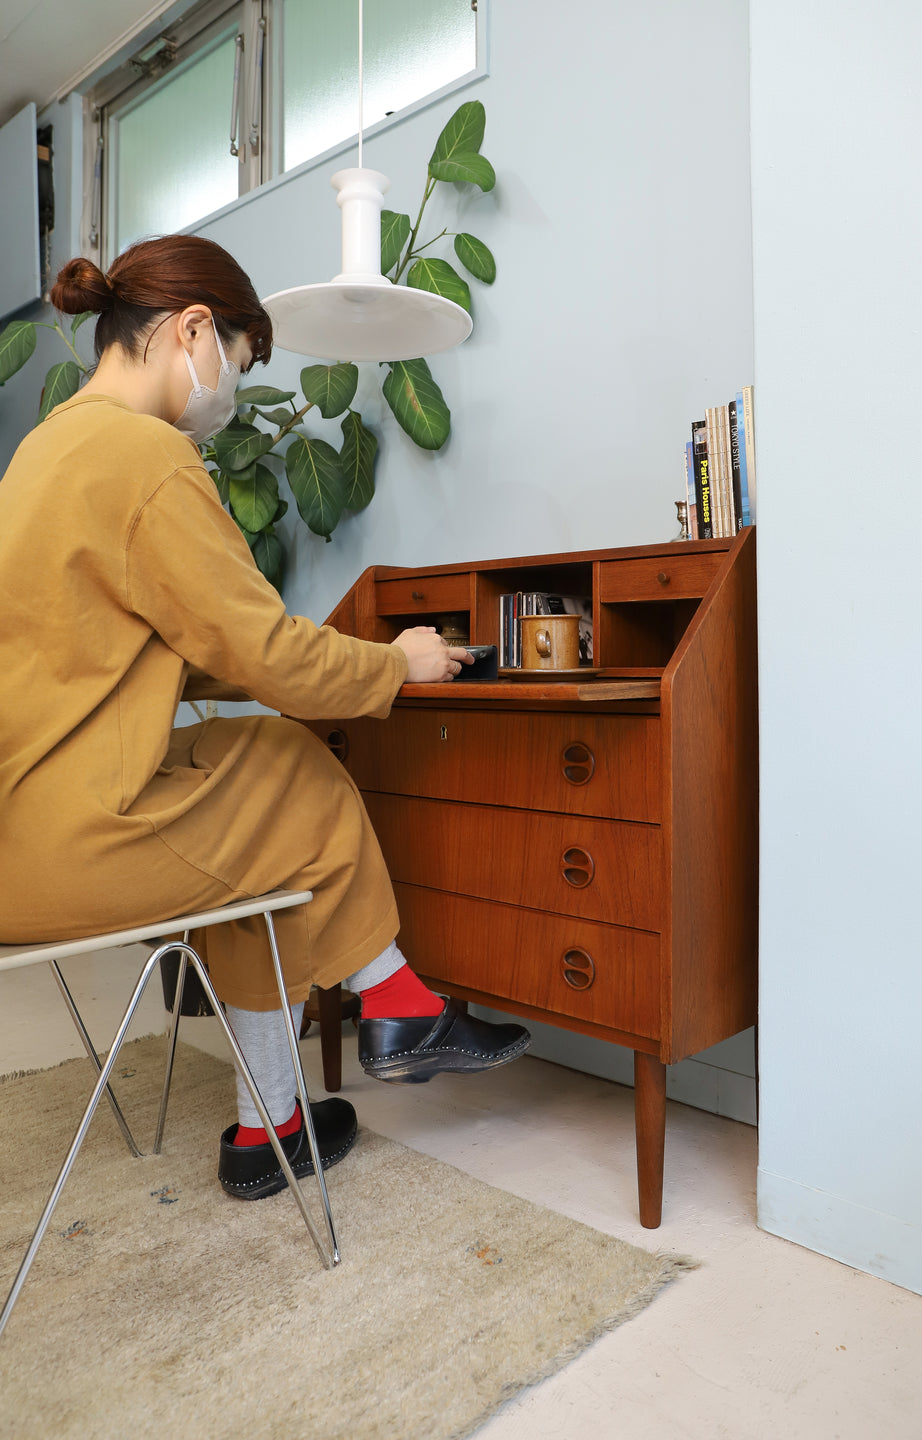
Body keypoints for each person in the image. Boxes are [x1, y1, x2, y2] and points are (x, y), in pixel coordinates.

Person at [0, 234, 530, 1200]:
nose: (227, 394)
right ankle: (399, 1005)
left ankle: (270, 1128)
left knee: (253, 825)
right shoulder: (146, 458)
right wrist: (398, 664)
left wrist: (330, 666)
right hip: (73, 842)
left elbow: (197, 650)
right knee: (288, 767)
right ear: (194, 330)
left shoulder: (45, 451)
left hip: (22, 836)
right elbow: (271, 658)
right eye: (237, 367)